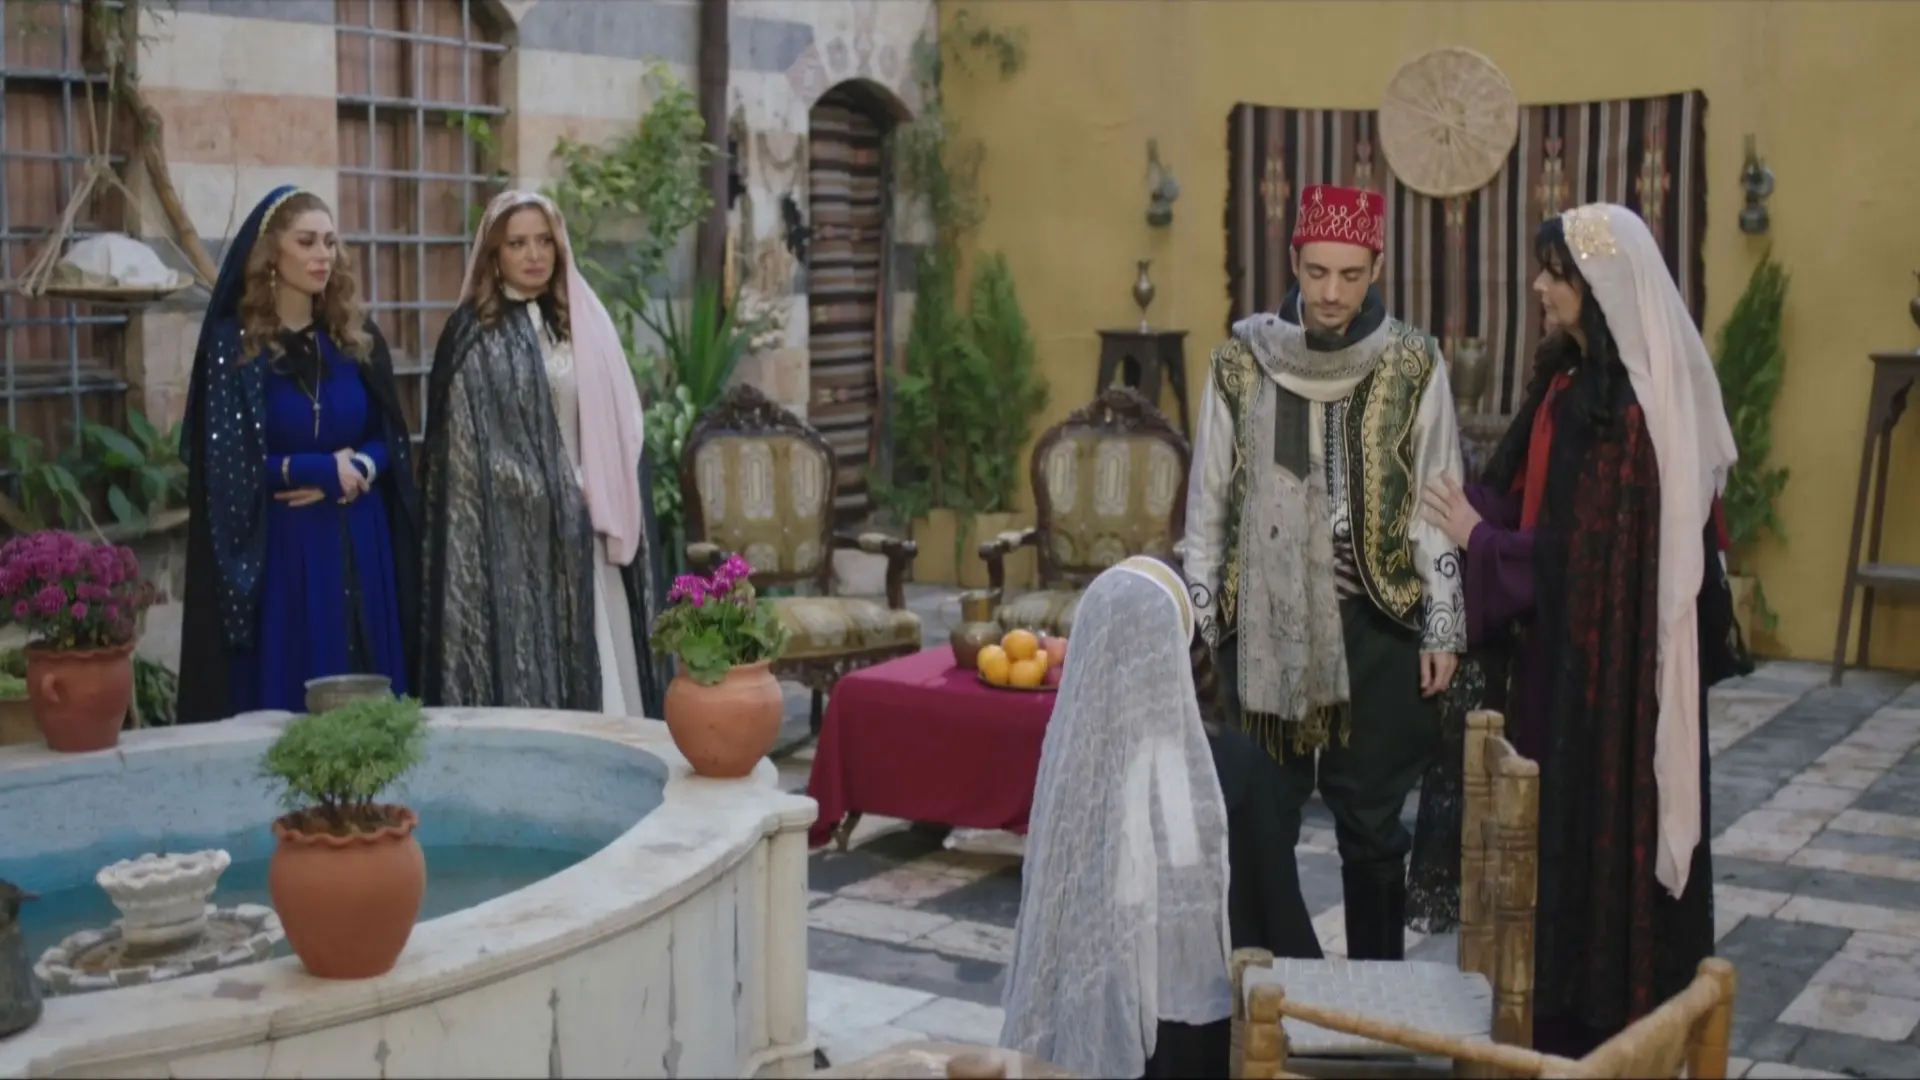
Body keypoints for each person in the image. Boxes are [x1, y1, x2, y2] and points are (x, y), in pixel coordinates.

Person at [1418, 203, 1741, 1055]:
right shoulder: (1565, 382)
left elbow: (1586, 561)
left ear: (1599, 289)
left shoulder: (1630, 414)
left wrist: (1482, 542)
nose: (1538, 287)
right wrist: (1463, 507)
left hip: (1607, 691)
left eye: (1555, 275)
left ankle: (1599, 1037)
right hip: (1557, 672)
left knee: (1591, 838)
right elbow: (1524, 495)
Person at [1178, 182, 1465, 961]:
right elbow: (1207, 506)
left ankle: (1376, 1001)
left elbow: (1436, 500)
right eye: (1316, 272)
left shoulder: (1413, 362)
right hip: (1261, 626)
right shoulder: (1241, 360)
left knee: (1373, 828)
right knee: (1257, 816)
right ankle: (1267, 993)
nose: (1332, 292)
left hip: (1376, 623)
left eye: (1350, 274)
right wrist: (1199, 626)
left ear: (1377, 267)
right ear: (1294, 260)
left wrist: (1443, 621)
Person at [417, 190, 664, 719]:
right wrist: (548, 488)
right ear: (494, 254)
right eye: (517, 243)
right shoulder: (472, 334)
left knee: (605, 661)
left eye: (544, 241)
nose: (534, 255)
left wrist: (595, 484)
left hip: (590, 522)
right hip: (512, 534)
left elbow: (622, 422)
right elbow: (464, 453)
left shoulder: (583, 321)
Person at [177, 186, 419, 724]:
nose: (322, 255)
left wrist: (361, 467)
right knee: (293, 698)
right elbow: (223, 466)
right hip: (284, 546)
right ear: (270, 254)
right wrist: (314, 469)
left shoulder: (355, 337)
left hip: (361, 536)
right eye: (306, 242)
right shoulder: (235, 348)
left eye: (330, 242)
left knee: (370, 703)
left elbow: (389, 438)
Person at [1000, 555, 1234, 1079]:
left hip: (1084, 1026)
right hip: (1196, 1048)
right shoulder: (1230, 775)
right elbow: (1276, 931)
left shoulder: (1071, 771)